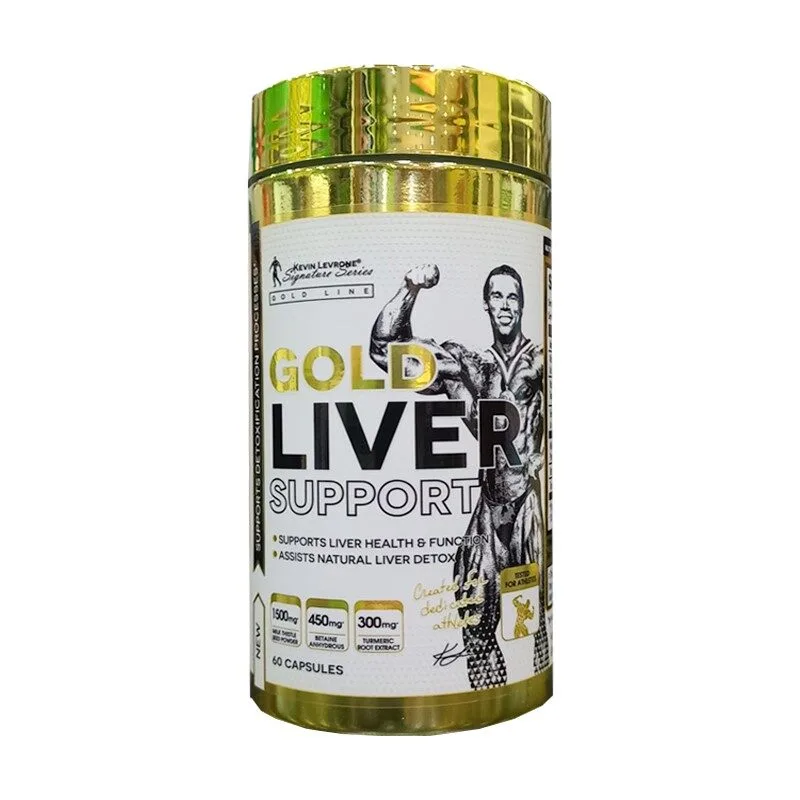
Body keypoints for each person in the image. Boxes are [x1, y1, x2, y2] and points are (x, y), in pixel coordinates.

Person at [370, 263, 550, 689]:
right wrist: (410, 289)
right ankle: (488, 691)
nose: (504, 305)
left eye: (512, 297)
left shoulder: (541, 361)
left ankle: (529, 686)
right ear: (486, 304)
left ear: (522, 305)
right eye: (496, 296)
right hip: (489, 508)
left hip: (527, 507)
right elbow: (385, 351)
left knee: (538, 622)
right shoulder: (472, 366)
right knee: (472, 615)